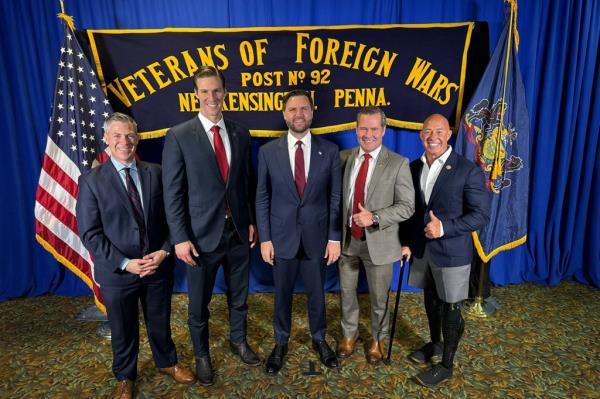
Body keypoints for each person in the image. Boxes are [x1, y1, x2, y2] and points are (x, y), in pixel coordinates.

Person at [76, 112, 195, 399]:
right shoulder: (91, 181)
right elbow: (90, 234)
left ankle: (167, 362)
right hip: (118, 271)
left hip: (156, 266)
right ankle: (125, 376)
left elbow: (174, 219)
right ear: (106, 139)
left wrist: (165, 250)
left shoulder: (155, 172)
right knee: (122, 327)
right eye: (116, 135)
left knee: (160, 320)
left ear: (137, 138)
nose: (124, 141)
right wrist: (125, 263)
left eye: (129, 135)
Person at [162, 66, 259, 386]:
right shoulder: (178, 135)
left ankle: (238, 339)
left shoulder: (241, 133)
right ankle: (202, 355)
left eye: (216, 90)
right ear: (196, 95)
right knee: (198, 303)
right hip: (200, 238)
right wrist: (179, 238)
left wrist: (252, 222)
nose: (211, 97)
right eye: (204, 91)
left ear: (225, 92)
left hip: (238, 232)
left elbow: (247, 183)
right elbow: (173, 193)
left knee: (239, 295)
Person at [400, 114, 490, 388]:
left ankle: (447, 365)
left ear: (449, 133)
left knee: (451, 306)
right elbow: (412, 212)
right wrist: (405, 241)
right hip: (423, 249)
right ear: (420, 134)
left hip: (452, 252)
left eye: (438, 131)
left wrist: (445, 228)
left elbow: (481, 215)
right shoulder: (414, 167)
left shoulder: (467, 169)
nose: (432, 136)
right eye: (427, 131)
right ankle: (436, 344)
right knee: (430, 298)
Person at [255, 89, 342, 375]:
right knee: (282, 294)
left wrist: (333, 237)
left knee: (317, 294)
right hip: (281, 239)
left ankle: (319, 339)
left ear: (312, 112)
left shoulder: (329, 151)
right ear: (284, 114)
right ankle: (281, 343)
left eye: (304, 109)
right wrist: (265, 238)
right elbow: (262, 197)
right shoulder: (268, 152)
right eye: (292, 110)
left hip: (317, 237)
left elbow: (335, 197)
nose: (299, 114)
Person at [337, 106, 415, 364]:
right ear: (356, 129)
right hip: (348, 241)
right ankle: (349, 334)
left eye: (373, 129)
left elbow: (407, 206)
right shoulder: (344, 158)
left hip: (380, 243)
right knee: (346, 293)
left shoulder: (397, 163)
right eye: (363, 128)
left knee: (379, 298)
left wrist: (376, 217)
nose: (368, 134)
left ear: (383, 130)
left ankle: (377, 339)